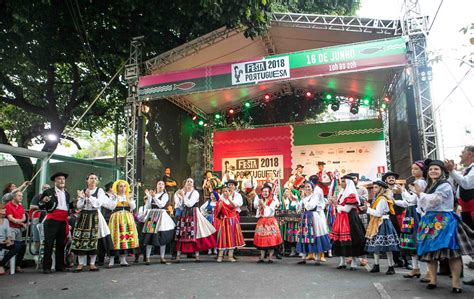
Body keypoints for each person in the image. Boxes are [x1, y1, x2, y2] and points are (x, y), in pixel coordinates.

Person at [416, 159, 474, 293]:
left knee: (453, 253)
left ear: (442, 171)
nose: (433, 171)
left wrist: (420, 194)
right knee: (430, 252)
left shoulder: (445, 185)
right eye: (431, 169)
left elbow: (436, 200)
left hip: (444, 220)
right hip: (430, 220)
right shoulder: (430, 185)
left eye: (436, 169)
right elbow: (422, 205)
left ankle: (456, 284)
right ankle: (432, 280)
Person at [71, 173, 114, 272]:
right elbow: (79, 206)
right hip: (84, 216)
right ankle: (81, 263)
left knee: (94, 239)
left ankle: (92, 263)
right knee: (82, 239)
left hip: (95, 215)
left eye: (95, 178)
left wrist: (89, 197)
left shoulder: (100, 191)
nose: (93, 180)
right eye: (91, 178)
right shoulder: (82, 190)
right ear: (87, 180)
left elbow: (99, 203)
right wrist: (82, 198)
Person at [445, 145, 474, 285]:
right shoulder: (466, 171)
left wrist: (452, 171)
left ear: (471, 154)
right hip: (467, 210)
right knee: (471, 241)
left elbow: (467, 184)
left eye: (463, 152)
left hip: (472, 209)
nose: (460, 155)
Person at [394, 161, 427, 279]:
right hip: (411, 213)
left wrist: (402, 191)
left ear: (422, 170)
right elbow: (408, 201)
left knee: (417, 240)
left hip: (417, 214)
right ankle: (415, 268)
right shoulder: (416, 182)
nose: (413, 171)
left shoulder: (421, 182)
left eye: (416, 169)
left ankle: (426, 271)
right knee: (411, 240)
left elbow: (412, 200)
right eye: (412, 169)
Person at [174, 178, 216, 262]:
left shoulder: (195, 193)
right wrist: (178, 197)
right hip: (184, 214)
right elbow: (181, 206)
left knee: (196, 233)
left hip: (193, 214)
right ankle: (178, 255)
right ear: (185, 183)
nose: (189, 183)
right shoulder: (184, 192)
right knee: (181, 233)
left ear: (193, 184)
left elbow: (190, 204)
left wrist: (183, 196)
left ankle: (197, 256)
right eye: (187, 181)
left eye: (190, 182)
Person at [330, 175, 366, 270]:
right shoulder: (341, 194)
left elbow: (346, 209)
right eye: (341, 181)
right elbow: (341, 208)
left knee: (353, 240)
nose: (341, 183)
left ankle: (354, 262)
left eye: (343, 181)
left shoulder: (351, 194)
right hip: (341, 219)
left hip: (350, 219)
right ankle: (342, 261)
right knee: (339, 240)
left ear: (348, 183)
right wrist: (337, 205)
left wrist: (336, 205)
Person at [365, 180, 400, 275]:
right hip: (377, 222)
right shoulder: (378, 198)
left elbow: (378, 213)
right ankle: (377, 265)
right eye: (373, 187)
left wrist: (367, 209)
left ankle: (390, 266)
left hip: (382, 222)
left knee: (387, 246)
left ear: (381, 188)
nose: (373, 189)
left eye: (376, 187)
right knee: (376, 245)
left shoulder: (382, 199)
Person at [38, 172, 71, 274]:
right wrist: (44, 201)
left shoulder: (67, 193)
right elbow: (40, 205)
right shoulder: (48, 191)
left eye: (63, 179)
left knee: (61, 243)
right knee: (49, 243)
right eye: (59, 179)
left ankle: (59, 266)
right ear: (55, 181)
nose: (61, 181)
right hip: (52, 220)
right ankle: (47, 267)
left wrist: (75, 203)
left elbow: (68, 206)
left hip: (63, 220)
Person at [296, 181, 331, 266]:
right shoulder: (304, 198)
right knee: (304, 237)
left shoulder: (314, 196)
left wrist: (303, 200)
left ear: (312, 188)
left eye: (309, 187)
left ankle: (318, 259)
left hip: (313, 217)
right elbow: (299, 208)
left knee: (315, 235)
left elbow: (310, 206)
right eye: (306, 187)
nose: (307, 188)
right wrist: (298, 200)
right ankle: (303, 257)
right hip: (305, 217)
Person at [142, 180, 176, 265]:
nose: (161, 185)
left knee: (162, 236)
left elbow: (161, 204)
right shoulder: (153, 195)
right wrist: (149, 197)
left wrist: (154, 197)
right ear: (156, 186)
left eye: (162, 184)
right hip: (152, 215)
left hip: (161, 215)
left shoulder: (165, 195)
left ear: (164, 186)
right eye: (159, 184)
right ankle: (148, 257)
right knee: (150, 236)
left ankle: (162, 257)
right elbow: (148, 206)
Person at [108, 180, 139, 267]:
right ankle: (111, 260)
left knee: (125, 238)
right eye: (120, 186)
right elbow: (111, 207)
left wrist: (129, 198)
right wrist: (115, 197)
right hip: (116, 218)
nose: (122, 188)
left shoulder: (128, 197)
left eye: (124, 186)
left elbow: (133, 207)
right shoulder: (113, 197)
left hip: (127, 218)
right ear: (117, 188)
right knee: (115, 238)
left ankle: (123, 259)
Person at [382, 171, 409, 269]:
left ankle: (407, 261)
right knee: (393, 237)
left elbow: (407, 201)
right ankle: (397, 260)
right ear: (386, 180)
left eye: (393, 177)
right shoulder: (384, 191)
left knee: (403, 238)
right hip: (390, 217)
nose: (391, 179)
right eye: (389, 178)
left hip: (401, 216)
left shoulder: (401, 189)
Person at [214, 185, 245, 262]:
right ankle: (220, 256)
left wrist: (229, 199)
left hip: (233, 221)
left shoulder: (233, 199)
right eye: (223, 191)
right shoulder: (220, 201)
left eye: (227, 191)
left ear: (229, 192)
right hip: (224, 221)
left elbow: (234, 206)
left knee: (232, 238)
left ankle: (230, 256)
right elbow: (217, 212)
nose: (225, 193)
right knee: (223, 238)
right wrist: (219, 208)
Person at [253, 185, 283, 263]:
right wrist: (259, 206)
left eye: (266, 191)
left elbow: (268, 212)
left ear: (269, 192)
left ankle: (270, 258)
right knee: (262, 240)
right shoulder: (260, 200)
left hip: (270, 221)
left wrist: (263, 205)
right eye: (263, 191)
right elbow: (258, 213)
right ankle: (262, 257)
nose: (264, 193)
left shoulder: (272, 201)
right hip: (262, 221)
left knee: (271, 240)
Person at [0, 202, 26, 275]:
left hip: (5, 241)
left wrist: (8, 239)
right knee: (16, 246)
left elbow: (8, 233)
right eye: (3, 210)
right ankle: (1, 265)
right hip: (0, 242)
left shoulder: (6, 221)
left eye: (4, 210)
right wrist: (2, 242)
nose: (5, 211)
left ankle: (16, 265)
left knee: (22, 245)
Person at [97, 182, 115, 266]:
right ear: (110, 188)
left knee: (113, 238)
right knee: (103, 239)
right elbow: (109, 206)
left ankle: (115, 257)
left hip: (114, 219)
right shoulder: (104, 196)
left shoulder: (115, 196)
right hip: (105, 219)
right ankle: (101, 258)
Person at [29, 184, 50, 254]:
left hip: (47, 218)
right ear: (42, 189)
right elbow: (31, 206)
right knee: (36, 236)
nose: (46, 189)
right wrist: (40, 207)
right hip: (37, 217)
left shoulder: (51, 197)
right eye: (45, 188)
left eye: (48, 188)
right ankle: (36, 251)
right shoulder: (38, 196)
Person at [281, 188, 301, 257]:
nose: (291, 195)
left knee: (297, 236)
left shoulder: (299, 202)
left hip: (297, 223)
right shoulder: (289, 202)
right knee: (291, 237)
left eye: (292, 194)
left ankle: (299, 250)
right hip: (290, 222)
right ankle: (293, 251)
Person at [200, 190, 219, 255]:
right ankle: (209, 249)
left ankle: (215, 248)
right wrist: (205, 214)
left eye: (213, 195)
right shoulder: (208, 202)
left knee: (216, 234)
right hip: (209, 219)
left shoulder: (218, 202)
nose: (212, 196)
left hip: (216, 220)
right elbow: (201, 208)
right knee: (210, 234)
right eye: (211, 195)